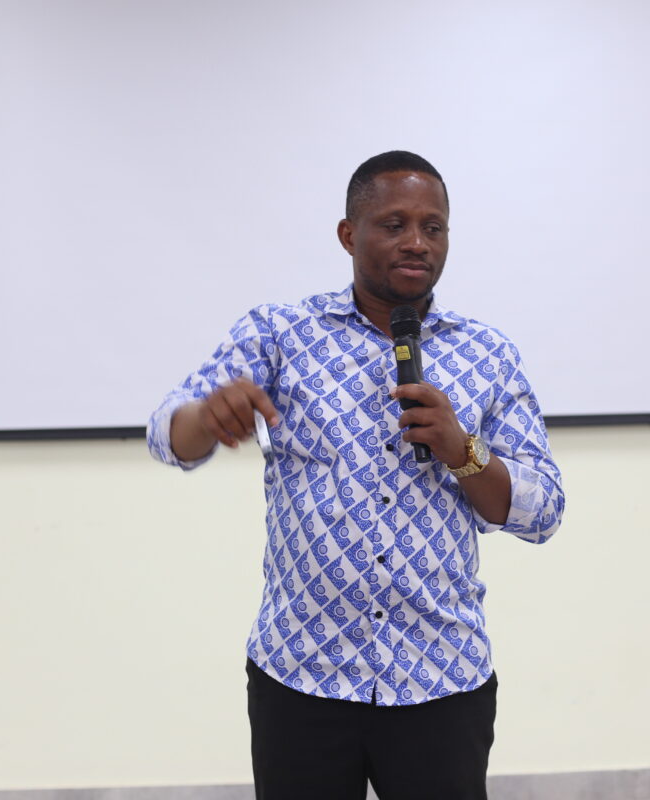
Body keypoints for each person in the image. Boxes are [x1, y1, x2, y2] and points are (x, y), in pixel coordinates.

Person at [148, 151, 563, 800]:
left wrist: (462, 449)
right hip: (303, 676)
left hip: (440, 677)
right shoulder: (281, 334)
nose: (417, 242)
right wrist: (207, 416)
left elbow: (542, 511)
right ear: (349, 234)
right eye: (394, 224)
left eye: (433, 227)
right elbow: (167, 435)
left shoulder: (488, 353)